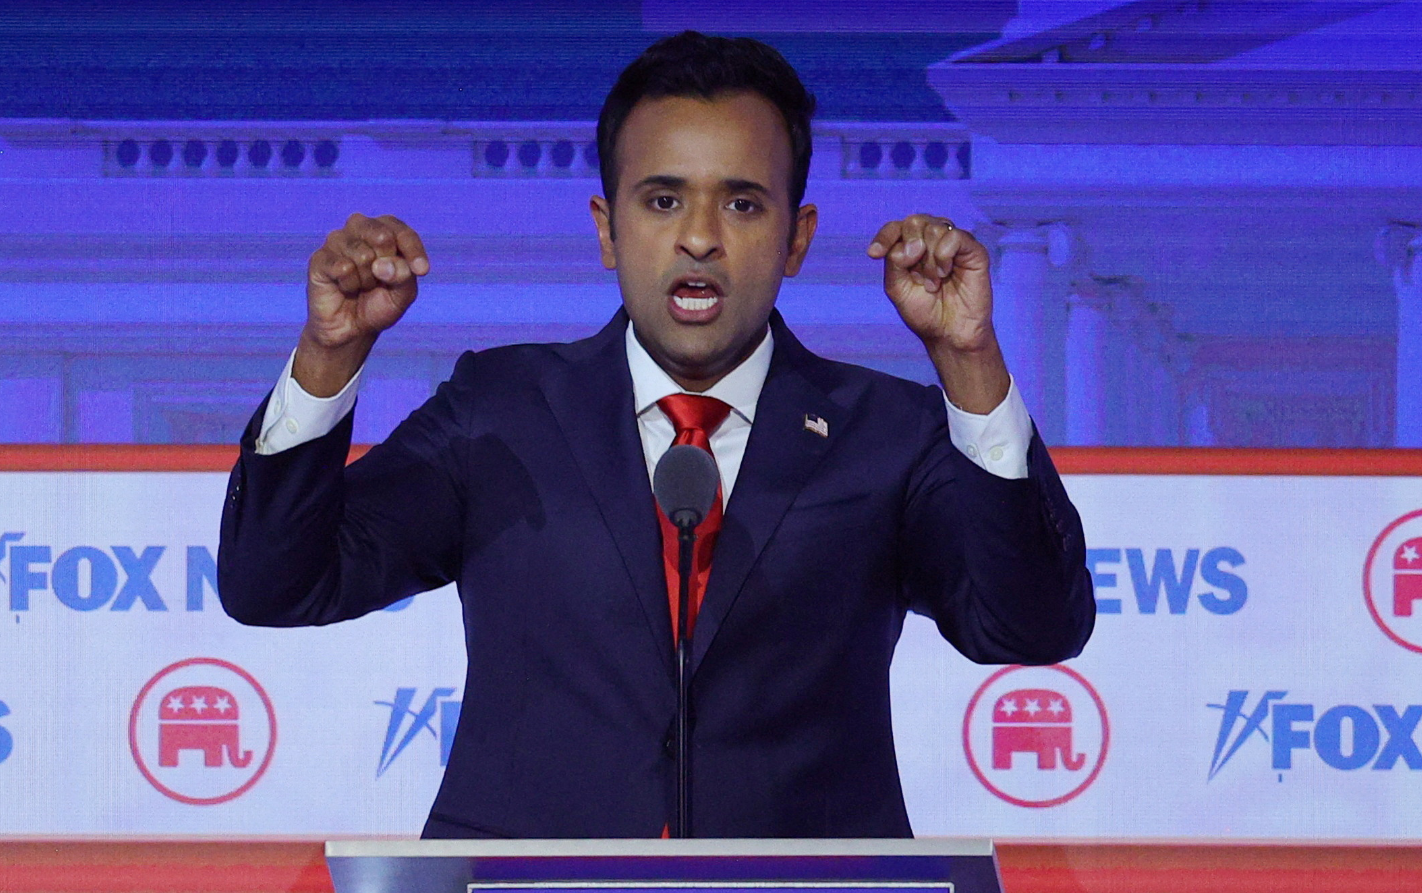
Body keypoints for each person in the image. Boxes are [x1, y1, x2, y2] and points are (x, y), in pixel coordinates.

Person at [218, 32, 1094, 838]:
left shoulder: (887, 432)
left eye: (744, 204)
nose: (701, 238)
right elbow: (277, 584)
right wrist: (329, 356)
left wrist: (969, 362)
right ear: (608, 228)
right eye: (664, 198)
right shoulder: (504, 407)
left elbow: (1032, 627)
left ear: (798, 238)